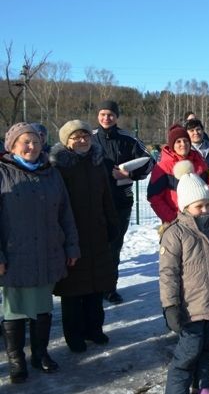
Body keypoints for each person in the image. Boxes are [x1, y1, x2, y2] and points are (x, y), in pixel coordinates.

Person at [0, 122, 80, 383]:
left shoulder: (51, 173)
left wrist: (71, 245)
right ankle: (16, 360)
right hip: (14, 255)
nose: (32, 146)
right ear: (12, 146)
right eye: (25, 141)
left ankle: (40, 353)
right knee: (15, 310)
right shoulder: (3, 173)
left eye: (35, 141)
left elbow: (66, 213)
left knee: (42, 307)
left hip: (47, 251)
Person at [159, 166, 209, 394]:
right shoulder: (175, 234)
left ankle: (202, 386)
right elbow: (168, 275)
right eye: (198, 206)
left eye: (207, 204)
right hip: (190, 309)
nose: (205, 210)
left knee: (208, 350)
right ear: (185, 207)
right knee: (187, 355)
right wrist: (171, 306)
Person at [50, 120, 118, 353]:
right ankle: (74, 335)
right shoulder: (59, 167)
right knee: (73, 290)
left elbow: (106, 197)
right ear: (66, 142)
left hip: (97, 233)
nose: (82, 141)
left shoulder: (97, 163)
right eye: (76, 137)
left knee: (96, 286)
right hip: (71, 236)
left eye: (86, 136)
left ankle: (94, 329)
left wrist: (111, 223)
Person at [92, 99, 153, 304]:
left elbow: (149, 161)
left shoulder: (128, 139)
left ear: (116, 117)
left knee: (114, 246)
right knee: (95, 246)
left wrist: (130, 173)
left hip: (121, 202)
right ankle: (93, 286)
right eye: (102, 114)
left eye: (110, 114)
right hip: (94, 203)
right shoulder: (89, 139)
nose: (106, 118)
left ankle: (109, 288)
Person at [148, 124, 209, 224]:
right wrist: (173, 219)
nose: (183, 144)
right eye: (178, 141)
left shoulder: (200, 162)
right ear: (172, 145)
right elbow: (155, 198)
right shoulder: (162, 167)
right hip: (176, 221)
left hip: (202, 219)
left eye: (185, 140)